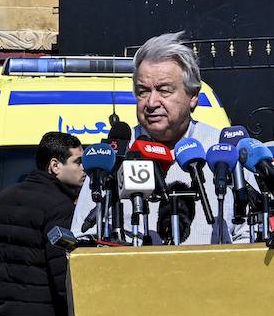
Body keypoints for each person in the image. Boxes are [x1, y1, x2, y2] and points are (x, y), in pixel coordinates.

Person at [70, 31, 247, 244]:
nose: (151, 102)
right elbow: (83, 238)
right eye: (143, 91)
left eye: (164, 90)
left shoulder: (224, 150)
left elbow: (247, 234)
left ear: (193, 96)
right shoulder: (113, 157)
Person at [0, 131, 85, 316]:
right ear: (55, 165)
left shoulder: (0, 200)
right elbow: (62, 277)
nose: (84, 169)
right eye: (77, 162)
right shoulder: (59, 206)